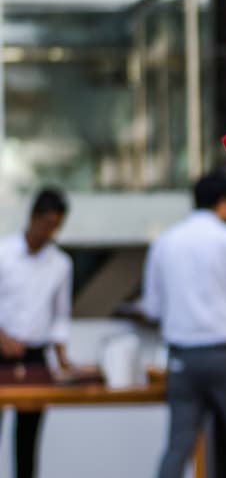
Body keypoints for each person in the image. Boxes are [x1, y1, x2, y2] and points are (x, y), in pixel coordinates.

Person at [141, 172, 226, 478]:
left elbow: (152, 308)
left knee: (178, 447)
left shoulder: (165, 242)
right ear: (225, 204)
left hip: (182, 358)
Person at [0, 187, 81, 478]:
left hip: (35, 355)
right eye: (47, 224)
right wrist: (3, 339)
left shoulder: (60, 264)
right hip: (2, 350)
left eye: (56, 226)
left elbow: (60, 316)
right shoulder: (4, 253)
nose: (51, 232)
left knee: (27, 440)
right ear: (33, 217)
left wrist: (62, 356)